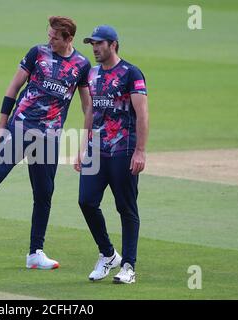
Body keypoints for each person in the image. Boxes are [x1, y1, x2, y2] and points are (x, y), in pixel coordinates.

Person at [0, 16, 92, 269]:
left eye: (55, 36)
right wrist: (0, 126)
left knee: (44, 193)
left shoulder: (82, 65)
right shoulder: (37, 53)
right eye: (49, 34)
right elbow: (13, 87)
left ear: (69, 39)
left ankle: (35, 253)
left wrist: (85, 146)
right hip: (20, 126)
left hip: (50, 136)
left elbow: (87, 107)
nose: (49, 39)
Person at [75, 25, 149, 284]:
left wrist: (140, 151)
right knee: (86, 201)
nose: (94, 48)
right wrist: (83, 147)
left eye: (99, 43)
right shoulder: (92, 74)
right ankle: (108, 254)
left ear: (113, 44)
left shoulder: (131, 73)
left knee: (126, 208)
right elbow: (90, 111)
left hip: (123, 150)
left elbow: (142, 113)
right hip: (97, 151)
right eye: (92, 44)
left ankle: (128, 266)